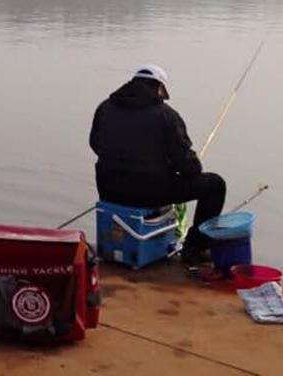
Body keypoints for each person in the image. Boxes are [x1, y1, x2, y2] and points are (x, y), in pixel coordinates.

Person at [89, 64, 226, 264]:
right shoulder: (166, 115)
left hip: (109, 190)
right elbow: (189, 166)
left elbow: (95, 144)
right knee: (215, 185)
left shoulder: (104, 108)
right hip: (149, 193)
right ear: (160, 88)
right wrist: (181, 165)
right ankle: (195, 247)